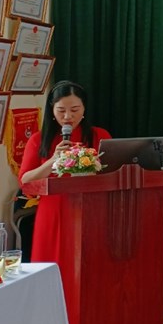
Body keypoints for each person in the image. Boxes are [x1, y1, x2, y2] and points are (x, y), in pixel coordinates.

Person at [19, 81, 112, 264]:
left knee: (89, 264)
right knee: (53, 263)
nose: (68, 116)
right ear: (52, 111)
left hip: (92, 209)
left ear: (84, 109)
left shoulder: (99, 136)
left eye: (75, 109)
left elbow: (113, 174)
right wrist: (53, 160)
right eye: (61, 110)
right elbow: (25, 181)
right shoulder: (39, 140)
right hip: (53, 212)